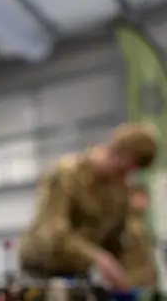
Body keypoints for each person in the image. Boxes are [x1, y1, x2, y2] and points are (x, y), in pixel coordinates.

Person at [19, 123, 158, 291]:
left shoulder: (118, 189)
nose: (125, 176)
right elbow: (54, 232)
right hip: (42, 269)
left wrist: (129, 276)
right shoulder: (67, 174)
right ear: (116, 152)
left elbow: (118, 239)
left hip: (79, 274)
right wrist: (99, 258)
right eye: (123, 170)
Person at [121, 184, 158, 288]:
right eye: (140, 197)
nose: (145, 201)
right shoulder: (126, 223)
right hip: (131, 281)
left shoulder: (143, 222)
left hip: (146, 280)